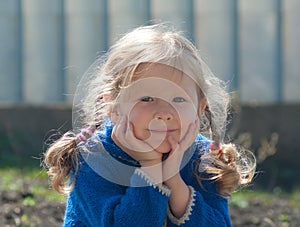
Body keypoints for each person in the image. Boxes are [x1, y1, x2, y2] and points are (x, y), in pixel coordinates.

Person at [44, 23, 256, 227]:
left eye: (179, 99)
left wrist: (174, 180)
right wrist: (151, 168)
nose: (164, 113)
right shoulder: (93, 159)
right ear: (113, 108)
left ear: (200, 109)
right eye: (146, 99)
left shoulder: (203, 158)